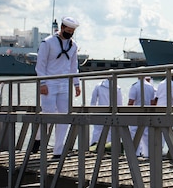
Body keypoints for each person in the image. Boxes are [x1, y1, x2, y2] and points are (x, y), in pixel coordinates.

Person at [34, 16, 81, 159]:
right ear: (61, 28)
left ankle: (58, 150)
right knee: (48, 113)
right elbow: (40, 64)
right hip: (49, 82)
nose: (70, 34)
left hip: (65, 83)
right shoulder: (47, 43)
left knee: (64, 115)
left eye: (72, 32)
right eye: (68, 31)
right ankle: (37, 139)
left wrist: (76, 84)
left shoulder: (73, 46)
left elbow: (74, 66)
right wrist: (42, 83)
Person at [128, 75, 156, 157]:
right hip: (147, 112)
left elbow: (131, 102)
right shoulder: (150, 86)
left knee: (134, 133)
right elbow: (152, 102)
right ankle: (148, 153)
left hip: (136, 113)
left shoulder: (135, 86)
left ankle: (136, 153)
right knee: (146, 134)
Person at [90, 77, 123, 146]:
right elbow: (119, 104)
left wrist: (92, 112)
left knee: (97, 132)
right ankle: (110, 149)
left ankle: (94, 147)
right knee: (112, 132)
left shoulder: (98, 86)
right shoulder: (117, 88)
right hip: (112, 113)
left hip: (100, 112)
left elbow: (93, 101)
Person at [153, 72, 173, 151]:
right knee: (166, 128)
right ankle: (168, 146)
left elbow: (156, 98)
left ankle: (171, 144)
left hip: (159, 107)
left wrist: (154, 108)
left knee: (161, 129)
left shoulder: (161, 83)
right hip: (167, 108)